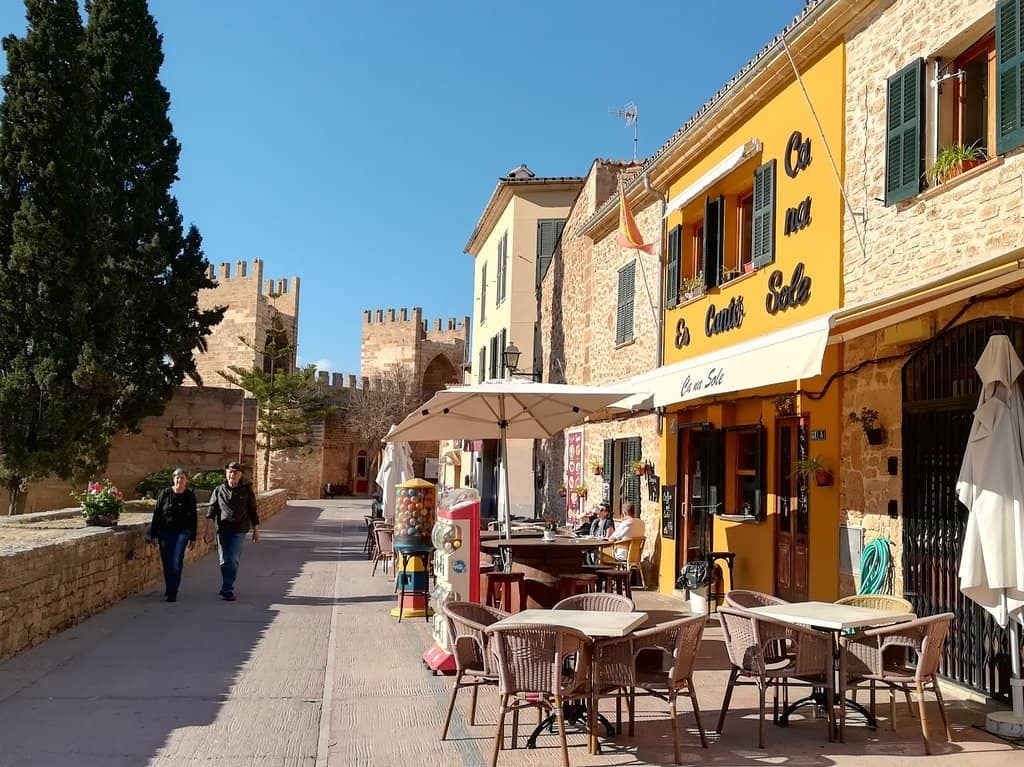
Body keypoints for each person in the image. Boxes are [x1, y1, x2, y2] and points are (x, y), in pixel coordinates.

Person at [206, 461, 260, 601]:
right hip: (223, 529)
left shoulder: (246, 491)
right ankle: (226, 584)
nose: (232, 475)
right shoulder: (218, 490)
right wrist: (208, 528)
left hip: (239, 529)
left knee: (233, 559)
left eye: (235, 472)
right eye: (230, 472)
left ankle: (227, 589)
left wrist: (256, 528)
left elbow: (252, 510)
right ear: (226, 473)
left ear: (240, 475)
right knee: (224, 560)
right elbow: (212, 510)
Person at [146, 468, 197, 602]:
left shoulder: (189, 496)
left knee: (175, 560)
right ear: (173, 479)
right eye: (177, 477)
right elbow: (157, 514)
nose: (179, 480)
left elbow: (193, 517)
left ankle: (173, 591)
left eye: (182, 478)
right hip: (165, 532)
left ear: (186, 480)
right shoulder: (165, 494)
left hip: (182, 532)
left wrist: (193, 537)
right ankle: (169, 588)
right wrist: (154, 533)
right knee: (167, 561)